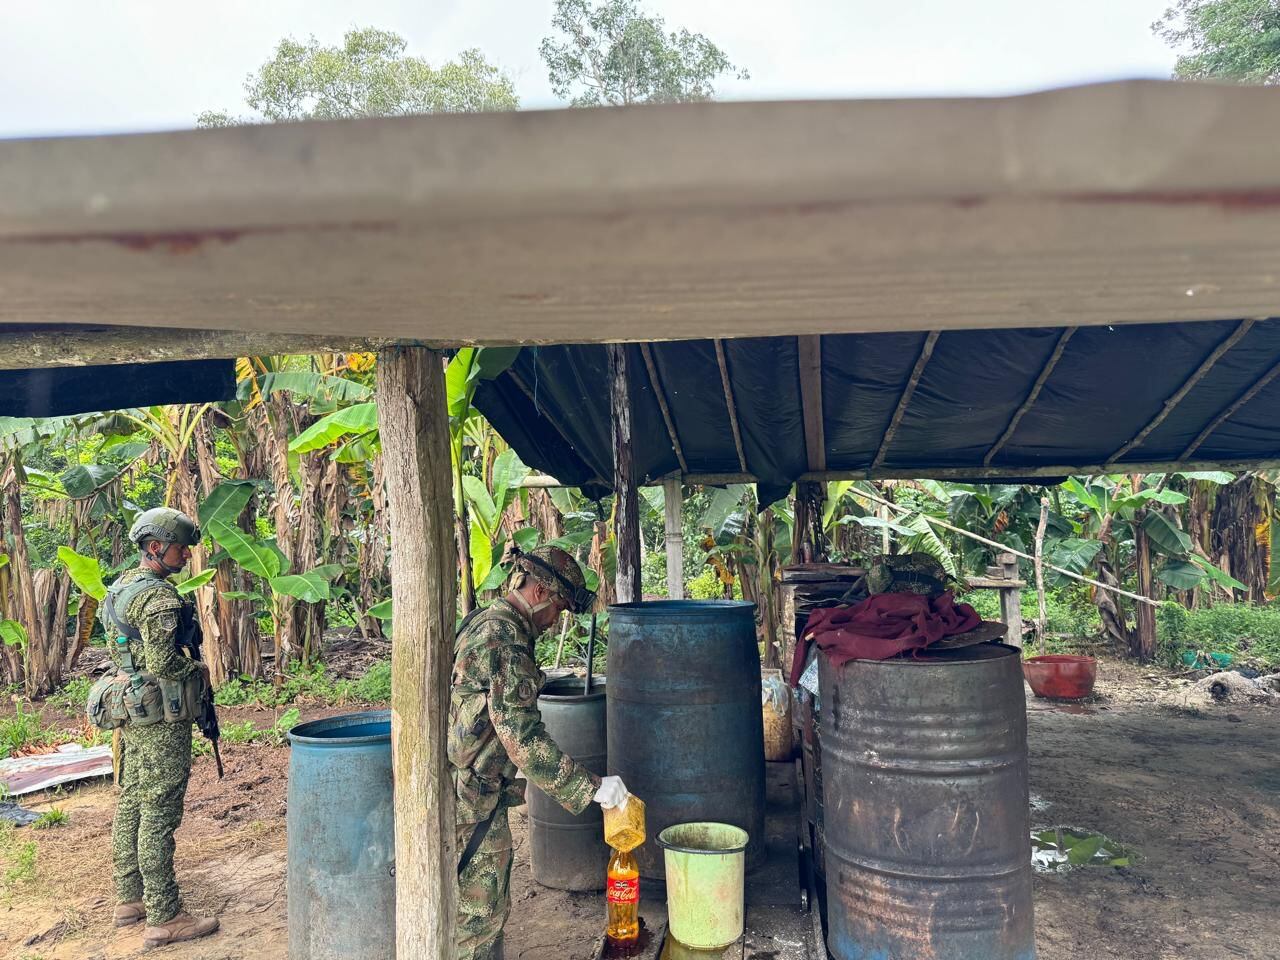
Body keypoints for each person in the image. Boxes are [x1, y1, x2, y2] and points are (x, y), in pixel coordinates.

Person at [449, 545, 629, 960]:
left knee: (474, 910)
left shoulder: (486, 620)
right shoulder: (504, 639)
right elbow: (521, 737)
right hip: (469, 798)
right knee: (479, 917)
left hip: (474, 792)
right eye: (559, 609)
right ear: (538, 592)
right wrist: (591, 787)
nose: (555, 622)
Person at [101, 507, 220, 949]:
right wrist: (201, 670)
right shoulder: (159, 599)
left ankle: (129, 898)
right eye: (180, 547)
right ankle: (165, 915)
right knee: (159, 811)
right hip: (162, 718)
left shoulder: (121, 589)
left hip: (132, 712)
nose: (187, 555)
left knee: (132, 800)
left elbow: (126, 658)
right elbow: (164, 663)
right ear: (155, 547)